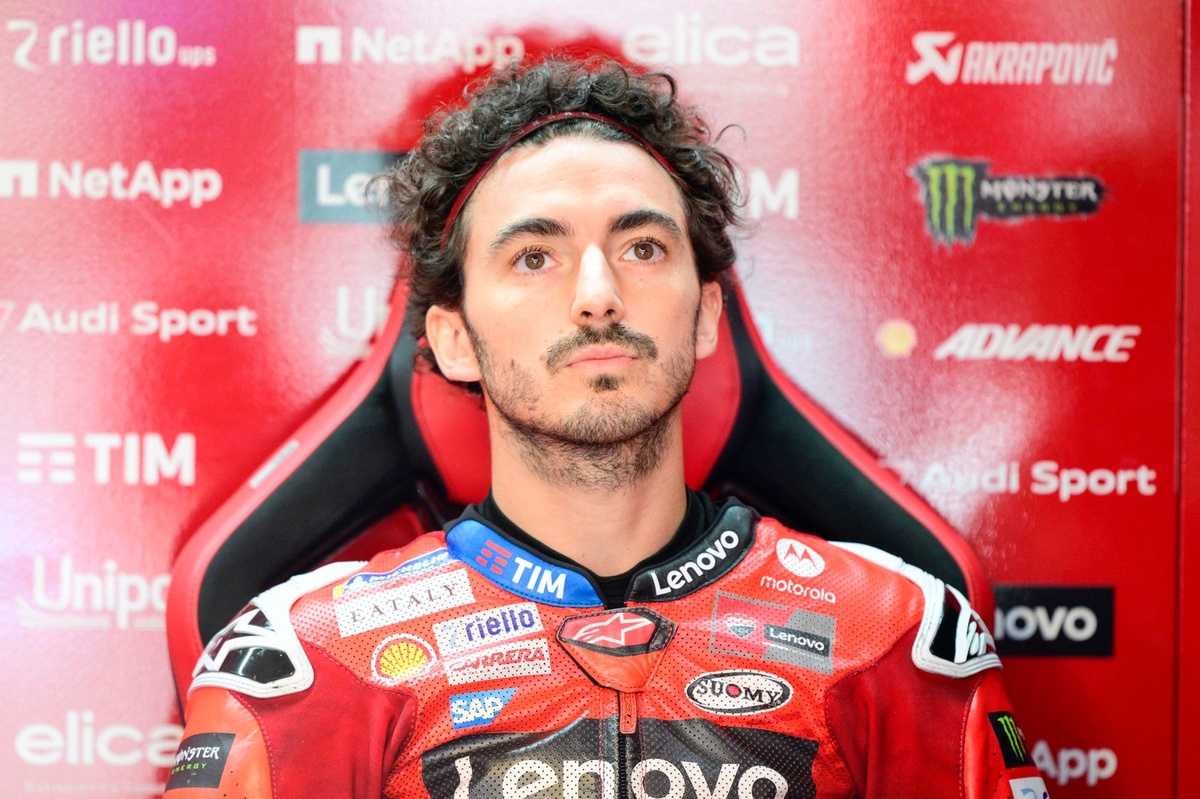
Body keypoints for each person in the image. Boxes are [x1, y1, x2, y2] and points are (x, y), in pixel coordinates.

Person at [164, 56, 1050, 799]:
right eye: (534, 256)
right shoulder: (313, 661)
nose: (597, 293)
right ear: (454, 339)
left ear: (706, 316)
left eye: (642, 248)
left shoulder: (894, 634)